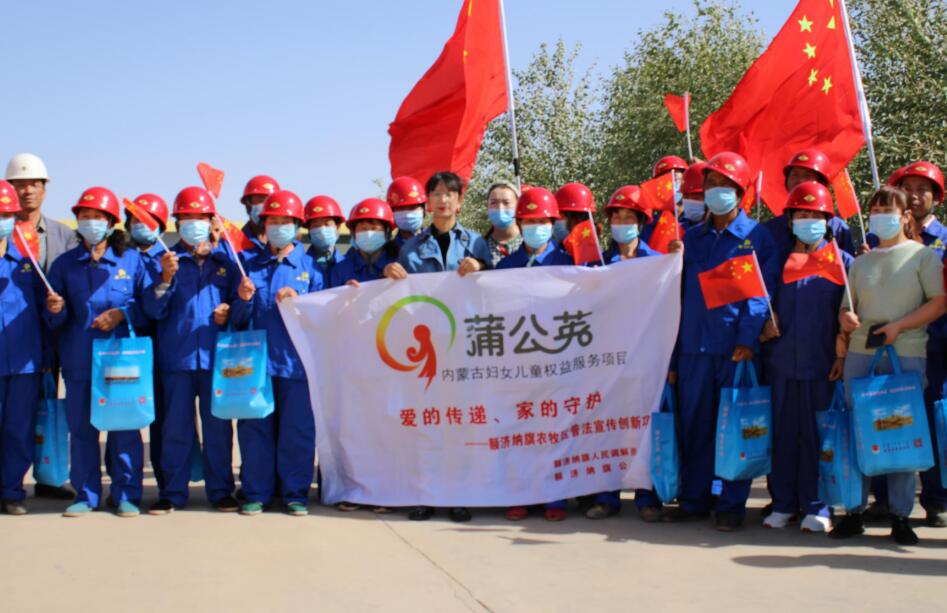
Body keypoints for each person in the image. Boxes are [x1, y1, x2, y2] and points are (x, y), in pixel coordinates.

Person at [665, 152, 779, 531]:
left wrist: (748, 338)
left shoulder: (756, 237)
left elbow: (761, 294)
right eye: (711, 184)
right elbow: (675, 296)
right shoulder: (690, 239)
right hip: (693, 349)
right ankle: (695, 499)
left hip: (735, 351)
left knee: (736, 429)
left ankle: (731, 504)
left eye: (725, 186)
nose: (717, 192)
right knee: (695, 427)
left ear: (741, 192)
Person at [831, 185, 946, 545]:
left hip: (906, 352)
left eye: (889, 209)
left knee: (900, 433)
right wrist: (846, 319)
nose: (882, 215)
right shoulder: (861, 262)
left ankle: (900, 515)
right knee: (857, 431)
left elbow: (938, 303)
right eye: (876, 209)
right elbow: (847, 307)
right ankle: (853, 511)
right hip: (862, 354)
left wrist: (900, 326)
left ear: (905, 215)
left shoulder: (923, 257)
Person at [385, 171, 490, 522]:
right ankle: (426, 495)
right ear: (428, 202)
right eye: (436, 193)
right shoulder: (411, 248)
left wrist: (482, 267)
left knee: (459, 422)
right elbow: (398, 298)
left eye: (449, 194)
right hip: (426, 351)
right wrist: (390, 276)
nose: (443, 199)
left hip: (464, 347)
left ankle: (459, 495)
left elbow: (495, 290)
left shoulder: (476, 244)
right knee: (427, 423)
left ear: (460, 201)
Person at [44, 187, 148, 517]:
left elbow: (149, 307)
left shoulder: (132, 260)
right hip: (79, 359)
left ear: (111, 222)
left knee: (124, 428)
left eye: (98, 217)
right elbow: (53, 319)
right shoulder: (65, 265)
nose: (91, 222)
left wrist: (123, 314)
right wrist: (56, 309)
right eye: (85, 216)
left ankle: (126, 494)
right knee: (82, 431)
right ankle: (86, 494)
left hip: (121, 360)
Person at [142, 187, 242, 514]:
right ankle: (172, 492)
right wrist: (165, 279)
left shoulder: (226, 261)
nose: (194, 223)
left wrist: (230, 308)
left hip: (216, 359)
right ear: (177, 222)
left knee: (218, 430)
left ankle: (221, 490)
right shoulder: (164, 261)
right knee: (176, 429)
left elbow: (241, 306)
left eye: (200, 217)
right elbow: (151, 310)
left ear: (211, 221)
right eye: (187, 217)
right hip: (176, 358)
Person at [760, 182, 852, 533]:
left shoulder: (842, 263)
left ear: (828, 221)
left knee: (820, 437)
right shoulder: (780, 263)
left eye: (815, 215)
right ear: (790, 221)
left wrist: (843, 352)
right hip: (782, 364)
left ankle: (818, 504)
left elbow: (850, 312)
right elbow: (760, 301)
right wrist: (763, 325)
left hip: (823, 365)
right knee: (783, 435)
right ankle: (783, 503)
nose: (808, 220)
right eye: (801, 214)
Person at [863, 162, 947, 525]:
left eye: (922, 189)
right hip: (889, 347)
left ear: (937, 197)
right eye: (907, 188)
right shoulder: (875, 242)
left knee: (933, 422)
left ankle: (936, 498)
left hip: (935, 349)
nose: (914, 195)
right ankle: (884, 498)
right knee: (886, 418)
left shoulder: (943, 240)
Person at [231, 190, 322, 517]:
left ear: (297, 226)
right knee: (255, 430)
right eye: (273, 221)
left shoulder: (311, 268)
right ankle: (256, 492)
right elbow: (237, 320)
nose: (279, 227)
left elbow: (323, 317)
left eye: (286, 221)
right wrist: (242, 299)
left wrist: (300, 301)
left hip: (296, 365)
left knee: (297, 431)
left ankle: (295, 493)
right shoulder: (248, 265)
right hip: (256, 364)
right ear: (264, 225)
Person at [5, 152, 78, 500]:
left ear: (45, 189)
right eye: (20, 184)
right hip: (15, 337)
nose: (27, 191)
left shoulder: (63, 235)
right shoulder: (5, 233)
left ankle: (49, 477)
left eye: (34, 184)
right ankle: (10, 484)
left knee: (51, 410)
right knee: (15, 416)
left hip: (57, 335)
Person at [594, 185, 664, 521]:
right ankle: (606, 497)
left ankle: (646, 498)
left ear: (642, 222)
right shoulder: (598, 264)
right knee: (607, 428)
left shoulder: (658, 263)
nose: (622, 223)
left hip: (647, 360)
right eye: (617, 218)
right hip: (607, 362)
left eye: (629, 218)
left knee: (645, 428)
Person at [0, 181, 46, 515]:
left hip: (24, 361)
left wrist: (56, 308)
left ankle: (11, 491)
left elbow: (46, 309)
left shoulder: (26, 259)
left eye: (6, 214)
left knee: (18, 429)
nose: (2, 220)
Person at [763, 149, 856, 257]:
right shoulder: (771, 229)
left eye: (807, 176)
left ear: (821, 182)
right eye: (795, 175)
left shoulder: (838, 228)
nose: (800, 180)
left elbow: (847, 265)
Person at [327, 199, 400, 289]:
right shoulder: (340, 269)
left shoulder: (399, 263)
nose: (369, 234)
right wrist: (343, 292)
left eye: (374, 228)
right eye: (363, 229)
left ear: (387, 232)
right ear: (353, 233)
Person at [641, 155, 688, 245]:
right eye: (665, 180)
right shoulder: (651, 226)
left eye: (675, 180)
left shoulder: (697, 220)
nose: (671, 186)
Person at [304, 195, 346, 278]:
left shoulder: (348, 265)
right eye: (316, 225)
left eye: (327, 224)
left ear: (337, 228)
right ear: (309, 230)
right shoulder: (300, 265)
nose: (322, 230)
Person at [483, 182, 523, 267]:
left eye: (506, 202)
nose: (500, 208)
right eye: (494, 203)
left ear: (518, 206)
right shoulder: (480, 248)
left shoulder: (529, 243)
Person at [239, 175, 281, 253]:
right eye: (261, 201)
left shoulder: (291, 247)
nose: (267, 206)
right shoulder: (234, 244)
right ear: (248, 206)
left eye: (271, 202)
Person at [386, 176, 427, 250]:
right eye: (401, 208)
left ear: (423, 210)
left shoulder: (436, 243)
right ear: (392, 212)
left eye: (412, 207)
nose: (408, 214)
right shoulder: (389, 251)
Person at [679, 162, 708, 232]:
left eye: (696, 197)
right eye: (686, 196)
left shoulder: (721, 232)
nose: (690, 201)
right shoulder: (677, 230)